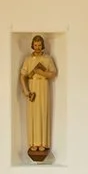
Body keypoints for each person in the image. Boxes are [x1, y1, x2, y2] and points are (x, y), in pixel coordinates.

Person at [20, 35, 58, 163]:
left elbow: (53, 73)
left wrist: (41, 72)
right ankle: (33, 142)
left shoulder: (47, 59)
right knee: (33, 115)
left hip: (43, 86)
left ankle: (43, 142)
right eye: (35, 45)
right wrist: (26, 91)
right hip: (32, 87)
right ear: (32, 45)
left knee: (43, 113)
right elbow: (22, 76)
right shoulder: (28, 59)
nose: (37, 47)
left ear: (42, 45)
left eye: (39, 45)